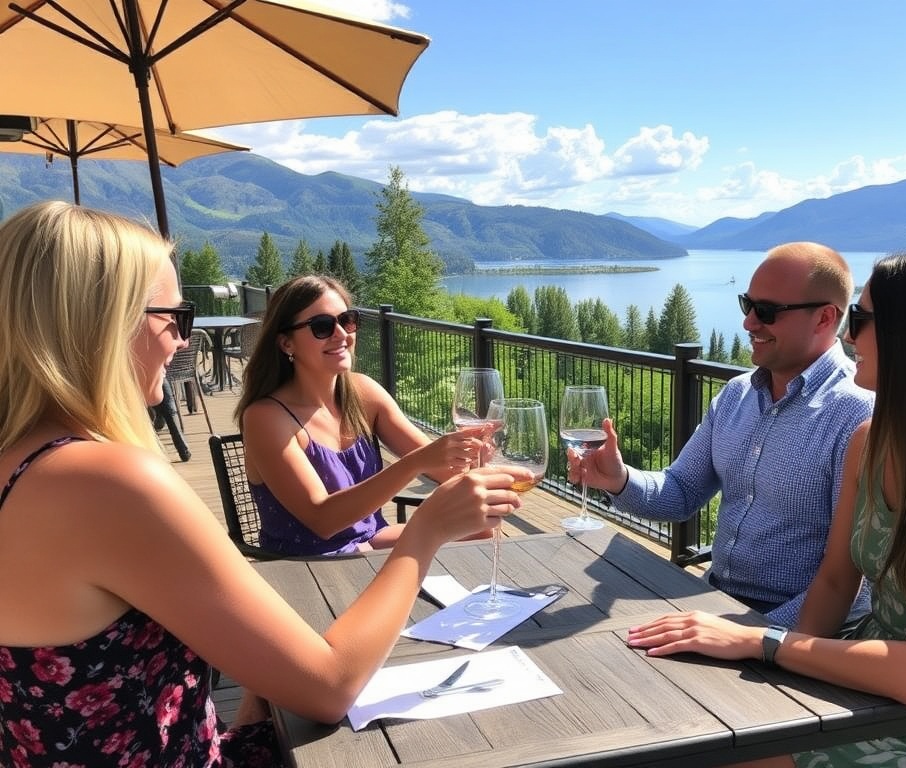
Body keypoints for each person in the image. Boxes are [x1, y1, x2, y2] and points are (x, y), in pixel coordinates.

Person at [0, 201, 527, 767]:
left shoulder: (24, 465)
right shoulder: (109, 483)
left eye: (349, 321)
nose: (183, 341)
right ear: (102, 323)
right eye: (174, 317)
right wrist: (425, 531)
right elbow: (330, 687)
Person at [627, 247, 906, 767]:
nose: (848, 337)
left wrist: (761, 643)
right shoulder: (871, 441)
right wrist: (766, 686)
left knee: (706, 754)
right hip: (865, 676)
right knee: (680, 722)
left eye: (860, 320)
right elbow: (836, 582)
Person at [569, 242, 874, 627]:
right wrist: (619, 479)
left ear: (824, 318)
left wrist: (748, 636)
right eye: (748, 305)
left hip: (793, 631)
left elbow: (853, 584)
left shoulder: (857, 414)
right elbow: (681, 491)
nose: (749, 323)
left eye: (766, 311)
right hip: (714, 603)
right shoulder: (737, 395)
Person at [235, 275, 494, 557]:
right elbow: (322, 520)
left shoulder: (363, 393)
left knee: (483, 529)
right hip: (308, 562)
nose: (341, 334)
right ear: (286, 343)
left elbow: (442, 467)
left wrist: (476, 460)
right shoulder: (266, 417)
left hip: (369, 542)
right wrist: (415, 463)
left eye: (346, 320)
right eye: (322, 326)